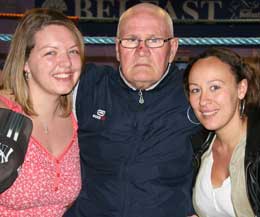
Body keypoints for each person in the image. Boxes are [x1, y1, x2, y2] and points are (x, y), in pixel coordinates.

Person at [65, 3, 200, 217]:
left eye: (154, 40)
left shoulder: (195, 92)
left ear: (172, 49)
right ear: (118, 48)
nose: (142, 50)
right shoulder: (87, 85)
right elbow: (27, 97)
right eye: (131, 40)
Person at [0, 8, 84, 216]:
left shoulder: (75, 115)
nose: (66, 63)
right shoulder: (3, 114)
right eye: (50, 52)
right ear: (25, 62)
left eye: (73, 51)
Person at [183, 47, 260, 217]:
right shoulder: (199, 145)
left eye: (215, 87)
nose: (203, 100)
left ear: (241, 89)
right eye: (196, 90)